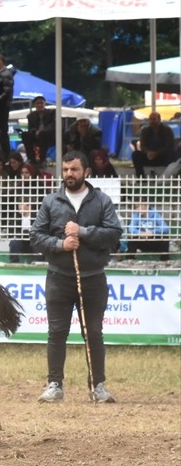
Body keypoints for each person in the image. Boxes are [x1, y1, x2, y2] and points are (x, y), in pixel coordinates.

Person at [29, 150, 122, 404]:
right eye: (66, 169)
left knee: (93, 333)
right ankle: (54, 385)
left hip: (93, 278)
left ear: (87, 172)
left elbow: (114, 234)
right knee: (56, 332)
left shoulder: (101, 201)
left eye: (75, 169)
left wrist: (83, 231)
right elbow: (36, 236)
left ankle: (97, 386)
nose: (69, 174)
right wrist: (60, 245)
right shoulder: (51, 201)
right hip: (58, 278)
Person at [131, 111, 177, 176]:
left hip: (162, 156)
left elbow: (169, 145)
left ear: (159, 120)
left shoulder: (167, 130)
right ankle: (141, 177)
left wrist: (157, 153)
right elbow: (143, 146)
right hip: (149, 156)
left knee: (172, 155)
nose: (152, 121)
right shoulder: (145, 130)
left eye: (154, 119)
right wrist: (148, 152)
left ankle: (170, 176)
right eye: (150, 119)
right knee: (135, 154)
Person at [23, 96, 55, 165]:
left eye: (41, 103)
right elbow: (30, 128)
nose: (40, 105)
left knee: (43, 134)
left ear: (44, 104)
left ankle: (42, 159)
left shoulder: (52, 113)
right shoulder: (31, 116)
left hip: (49, 136)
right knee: (25, 134)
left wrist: (42, 131)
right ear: (34, 105)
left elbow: (53, 125)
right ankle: (31, 158)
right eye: (37, 103)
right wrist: (35, 132)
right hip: (37, 135)